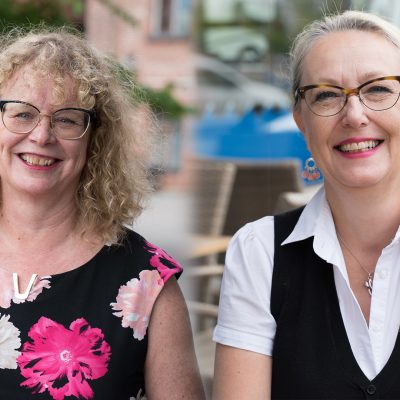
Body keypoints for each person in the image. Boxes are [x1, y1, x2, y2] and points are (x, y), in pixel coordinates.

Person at [0, 27, 205, 400]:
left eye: (66, 119)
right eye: (22, 113)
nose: (42, 135)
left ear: (96, 140)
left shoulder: (146, 286)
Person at [213, 10, 400, 399]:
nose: (354, 115)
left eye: (378, 89)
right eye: (327, 95)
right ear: (301, 120)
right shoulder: (259, 253)